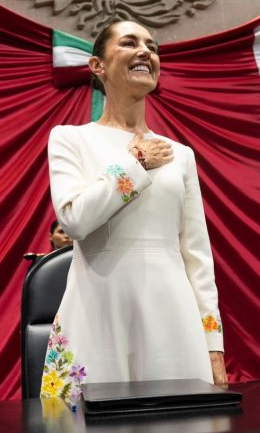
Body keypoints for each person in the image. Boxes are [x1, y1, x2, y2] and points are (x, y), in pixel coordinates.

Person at [42, 20, 226, 400]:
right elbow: (75, 220)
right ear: (98, 66)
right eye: (129, 43)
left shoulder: (182, 155)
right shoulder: (70, 139)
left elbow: (197, 256)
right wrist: (134, 165)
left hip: (172, 314)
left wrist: (213, 342)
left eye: (152, 46)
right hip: (98, 310)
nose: (146, 52)